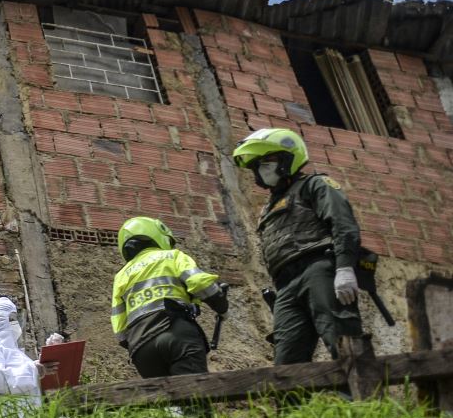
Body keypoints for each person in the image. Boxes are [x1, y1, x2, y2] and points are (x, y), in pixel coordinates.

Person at [231, 127, 363, 364]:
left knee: (341, 339)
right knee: (286, 358)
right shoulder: (269, 207)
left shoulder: (315, 184)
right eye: (257, 165)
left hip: (318, 268)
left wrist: (344, 267)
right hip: (285, 286)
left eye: (266, 160)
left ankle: (362, 399)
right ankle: (295, 403)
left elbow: (343, 224)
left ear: (287, 158)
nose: (261, 168)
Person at [110, 216, 227, 378]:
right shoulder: (172, 256)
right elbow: (200, 283)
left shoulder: (121, 276)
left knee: (164, 400)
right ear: (158, 236)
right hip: (176, 333)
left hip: (141, 349)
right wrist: (221, 304)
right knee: (194, 396)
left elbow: (120, 331)